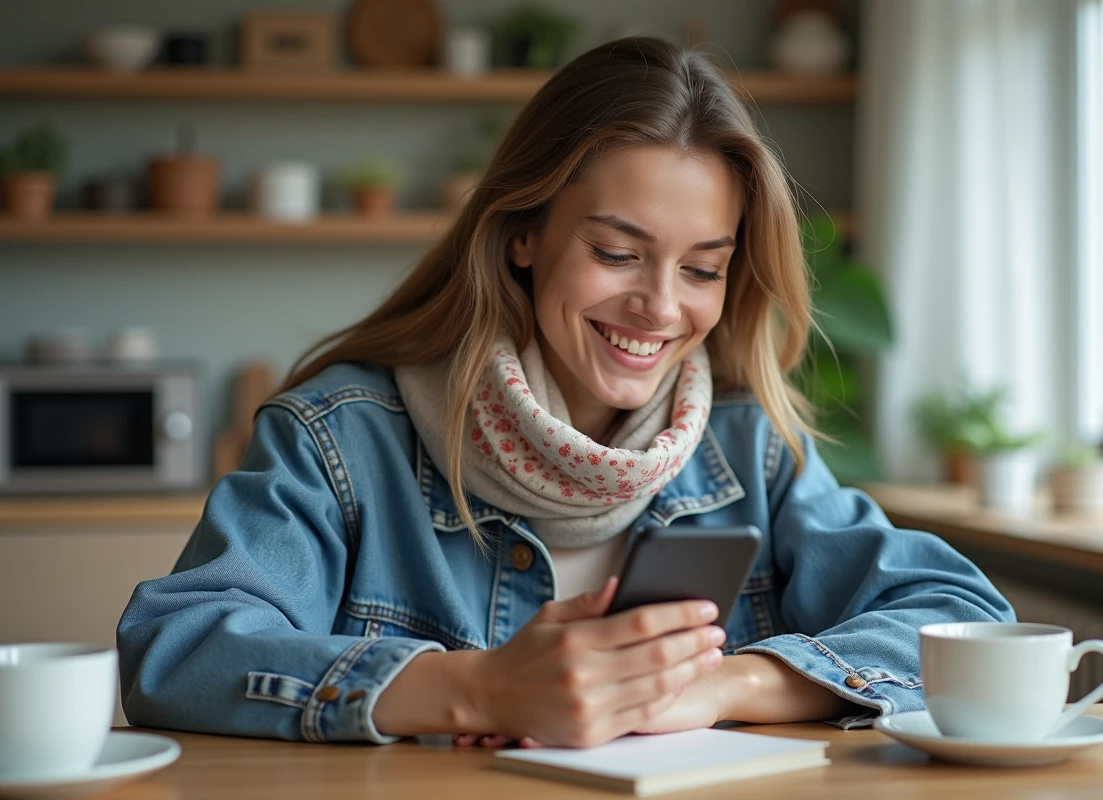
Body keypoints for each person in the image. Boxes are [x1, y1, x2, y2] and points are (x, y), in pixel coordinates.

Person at [117, 36, 1013, 748]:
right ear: (523, 234)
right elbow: (176, 649)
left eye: (703, 268)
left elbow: (964, 619)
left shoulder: (750, 446)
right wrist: (476, 690)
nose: (661, 307)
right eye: (617, 253)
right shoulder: (340, 438)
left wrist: (723, 685)